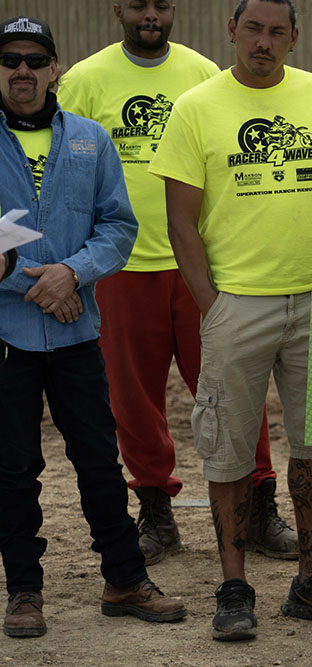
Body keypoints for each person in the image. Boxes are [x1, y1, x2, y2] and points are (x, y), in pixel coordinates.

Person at [149, 0, 312, 641]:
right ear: (232, 31)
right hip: (237, 305)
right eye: (253, 29)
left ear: (294, 37)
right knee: (227, 449)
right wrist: (212, 304)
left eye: (277, 32)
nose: (264, 42)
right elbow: (180, 222)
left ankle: (311, 581)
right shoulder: (196, 107)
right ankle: (234, 587)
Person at [57, 0, 297, 567]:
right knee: (133, 399)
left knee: (233, 386)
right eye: (139, 4)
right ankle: (156, 510)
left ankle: (259, 505)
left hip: (201, 264)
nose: (151, 15)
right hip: (119, 267)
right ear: (117, 8)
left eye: (161, 5)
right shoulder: (85, 80)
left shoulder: (201, 72)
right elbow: (65, 173)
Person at [0, 14, 186, 639]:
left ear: (55, 70)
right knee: (14, 469)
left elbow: (118, 227)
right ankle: (24, 592)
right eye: (10, 60)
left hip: (77, 333)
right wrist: (35, 282)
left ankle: (125, 580)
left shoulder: (90, 139)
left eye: (35, 60)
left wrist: (72, 274)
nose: (22, 70)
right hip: (8, 336)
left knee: (100, 463)